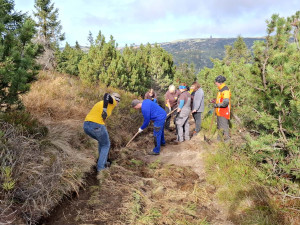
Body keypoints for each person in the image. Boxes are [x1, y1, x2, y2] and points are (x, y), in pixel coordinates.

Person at [83, 93, 121, 172]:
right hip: (96, 125)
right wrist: (104, 110)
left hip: (86, 126)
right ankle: (101, 168)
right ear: (117, 100)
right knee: (106, 145)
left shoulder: (101, 103)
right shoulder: (113, 102)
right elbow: (107, 95)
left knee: (102, 142)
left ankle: (102, 161)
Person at [214, 75, 231, 141]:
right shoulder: (220, 89)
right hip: (219, 112)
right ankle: (219, 141)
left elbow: (225, 103)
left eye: (216, 82)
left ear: (220, 82)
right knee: (220, 127)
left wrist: (217, 105)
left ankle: (227, 143)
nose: (215, 83)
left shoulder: (225, 90)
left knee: (224, 128)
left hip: (223, 112)